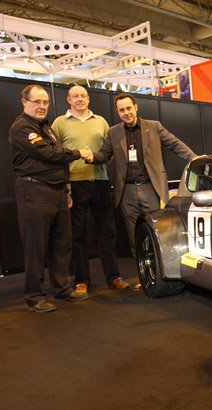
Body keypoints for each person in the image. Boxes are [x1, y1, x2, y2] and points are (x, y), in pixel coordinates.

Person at [85, 93, 197, 290]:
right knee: (134, 237)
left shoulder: (153, 127)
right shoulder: (114, 132)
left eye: (129, 108)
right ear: (118, 112)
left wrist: (194, 159)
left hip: (150, 188)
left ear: (136, 107)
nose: (126, 113)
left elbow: (174, 143)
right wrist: (90, 156)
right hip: (126, 191)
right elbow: (104, 155)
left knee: (156, 234)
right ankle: (145, 277)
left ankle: (164, 277)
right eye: (121, 110)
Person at [10, 84, 92, 312]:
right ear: (24, 102)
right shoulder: (21, 128)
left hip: (57, 192)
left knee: (62, 243)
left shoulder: (47, 128)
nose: (42, 106)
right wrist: (79, 153)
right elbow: (50, 154)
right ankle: (35, 296)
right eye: (37, 102)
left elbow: (57, 160)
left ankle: (62, 288)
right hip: (34, 192)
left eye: (45, 102)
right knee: (35, 246)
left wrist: (66, 190)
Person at [51, 85, 130, 293]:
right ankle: (81, 280)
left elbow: (109, 150)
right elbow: (55, 154)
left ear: (88, 99)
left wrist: (101, 165)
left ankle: (113, 277)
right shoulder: (59, 123)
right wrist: (65, 184)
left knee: (108, 233)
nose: (80, 99)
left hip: (100, 182)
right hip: (74, 184)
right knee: (77, 235)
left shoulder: (101, 121)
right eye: (75, 96)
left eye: (83, 96)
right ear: (68, 99)